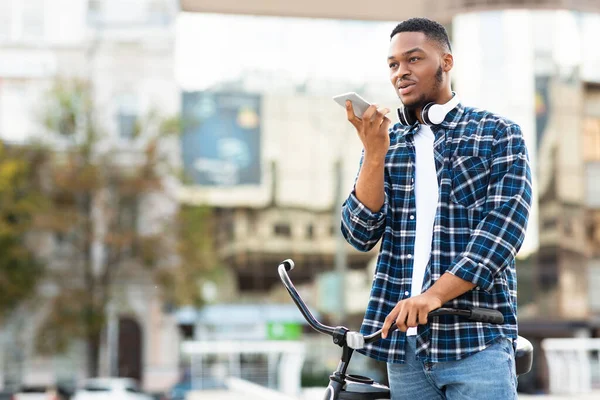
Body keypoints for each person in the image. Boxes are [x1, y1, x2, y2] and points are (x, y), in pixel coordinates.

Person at [340, 17, 532, 399]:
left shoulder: (497, 133)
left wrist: (433, 295)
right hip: (404, 353)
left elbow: (502, 232)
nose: (401, 72)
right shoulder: (387, 143)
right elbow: (358, 234)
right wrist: (375, 155)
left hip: (476, 343)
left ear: (446, 62)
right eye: (393, 64)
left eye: (413, 59)